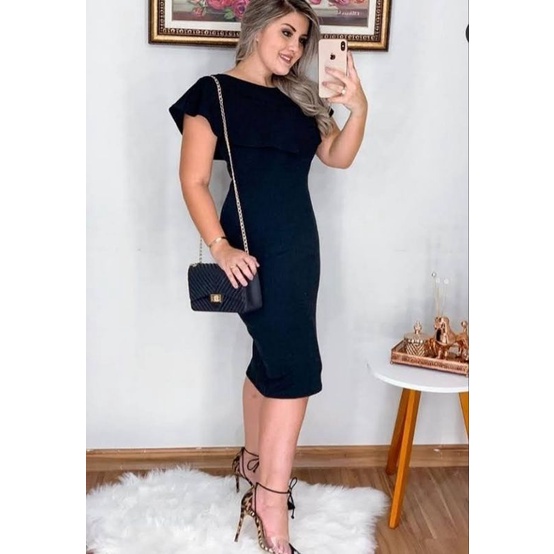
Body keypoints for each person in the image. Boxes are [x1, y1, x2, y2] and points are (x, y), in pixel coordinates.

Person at [169, 1, 368, 552]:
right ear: (256, 29)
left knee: (274, 356)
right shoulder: (212, 92)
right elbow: (192, 180)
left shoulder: (301, 98)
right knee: (295, 366)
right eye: (286, 32)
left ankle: (253, 463)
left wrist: (358, 108)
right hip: (248, 244)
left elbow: (337, 157)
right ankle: (270, 501)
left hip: (299, 244)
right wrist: (221, 246)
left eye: (303, 39)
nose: (294, 47)